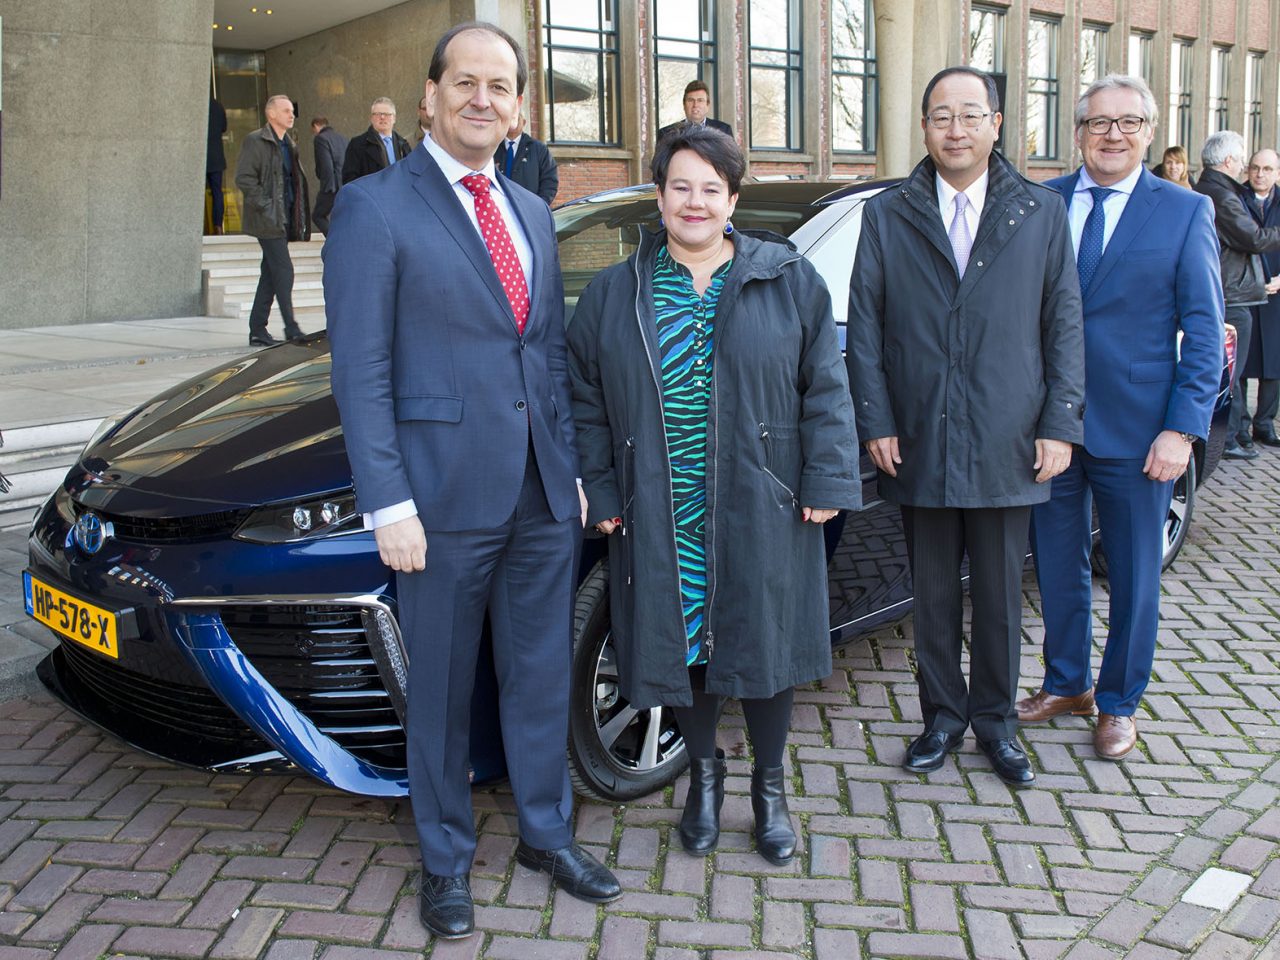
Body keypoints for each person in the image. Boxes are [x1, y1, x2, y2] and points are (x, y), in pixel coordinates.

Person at [323, 22, 620, 941]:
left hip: (540, 498)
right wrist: (389, 502)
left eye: (500, 86)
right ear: (430, 96)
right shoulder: (373, 208)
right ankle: (446, 858)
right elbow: (361, 372)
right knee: (444, 691)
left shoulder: (530, 207)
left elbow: (546, 354)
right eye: (466, 82)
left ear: (519, 107)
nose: (482, 99)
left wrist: (568, 470)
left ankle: (545, 834)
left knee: (538, 677)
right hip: (439, 500)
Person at [568, 125, 859, 864]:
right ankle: (703, 780)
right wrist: (601, 487)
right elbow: (586, 399)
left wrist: (827, 477)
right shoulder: (615, 292)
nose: (694, 202)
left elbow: (825, 386)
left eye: (711, 189)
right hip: (660, 502)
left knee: (765, 644)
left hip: (762, 498)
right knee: (684, 644)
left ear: (732, 200)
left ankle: (770, 790)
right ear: (659, 194)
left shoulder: (787, 279)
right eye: (680, 187)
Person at [846, 66, 1084, 788]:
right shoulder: (888, 214)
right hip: (918, 433)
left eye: (970, 115)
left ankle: (997, 725)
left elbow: (1063, 323)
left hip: (1009, 435)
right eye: (941, 116)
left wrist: (1060, 422)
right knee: (934, 595)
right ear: (924, 127)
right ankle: (942, 719)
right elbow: (864, 325)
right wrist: (876, 418)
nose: (956, 129)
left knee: (1002, 598)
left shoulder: (1039, 212)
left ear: (996, 124)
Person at [1020, 76, 1224, 761]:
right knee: (1057, 565)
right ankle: (1067, 683)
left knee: (1135, 576)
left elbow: (1205, 331)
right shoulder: (1041, 203)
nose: (1113, 134)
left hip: (1141, 432)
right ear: (1078, 132)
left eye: (1128, 122)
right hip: (1050, 427)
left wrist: (1183, 429)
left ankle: (1118, 704)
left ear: (1149, 131)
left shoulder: (1185, 211)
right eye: (1099, 122)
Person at [1195, 130, 1280, 461]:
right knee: (1230, 374)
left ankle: (1233, 435)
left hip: (1230, 290)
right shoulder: (1223, 194)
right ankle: (1227, 439)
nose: (1247, 167)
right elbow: (1253, 238)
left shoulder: (1215, 189)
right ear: (1229, 160)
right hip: (1232, 294)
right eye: (1245, 160)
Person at [235, 93, 310, 346]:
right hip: (267, 220)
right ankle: (291, 327)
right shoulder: (256, 141)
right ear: (271, 114)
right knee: (284, 270)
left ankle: (257, 329)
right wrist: (266, 206)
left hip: (284, 218)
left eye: (292, 111)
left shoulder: (289, 144)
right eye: (286, 110)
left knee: (270, 274)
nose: (292, 115)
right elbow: (244, 178)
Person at [1239, 149, 1280, 447]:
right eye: (1255, 168)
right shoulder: (1236, 199)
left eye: (1267, 169)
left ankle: (1264, 424)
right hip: (1244, 291)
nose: (1260, 174)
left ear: (1277, 173)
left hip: (1277, 292)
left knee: (1275, 363)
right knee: (1242, 362)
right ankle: (1240, 426)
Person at [494, 110, 558, 204]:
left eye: (516, 118)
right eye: (510, 119)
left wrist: (539, 205)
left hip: (528, 207)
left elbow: (550, 181)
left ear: (524, 123)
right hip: (498, 207)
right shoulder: (492, 147)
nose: (513, 123)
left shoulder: (539, 149)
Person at [342, 97, 412, 184]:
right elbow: (350, 180)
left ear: (394, 118)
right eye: (377, 114)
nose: (382, 117)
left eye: (387, 114)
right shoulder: (357, 144)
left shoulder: (403, 144)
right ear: (371, 118)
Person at [310, 116, 349, 236]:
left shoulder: (320, 139)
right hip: (345, 184)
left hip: (331, 186)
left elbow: (325, 165)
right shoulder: (342, 138)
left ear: (316, 126)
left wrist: (326, 187)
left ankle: (335, 239)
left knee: (318, 216)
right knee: (341, 217)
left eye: (313, 130)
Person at [657, 80, 733, 141]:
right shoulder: (666, 134)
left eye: (700, 100)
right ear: (684, 105)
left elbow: (732, 156)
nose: (695, 105)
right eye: (690, 100)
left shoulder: (723, 131)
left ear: (707, 105)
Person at [207, 97, 228, 234]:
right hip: (216, 157)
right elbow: (224, 128)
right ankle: (218, 226)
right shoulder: (218, 107)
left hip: (201, 156)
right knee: (217, 192)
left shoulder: (196, 106)